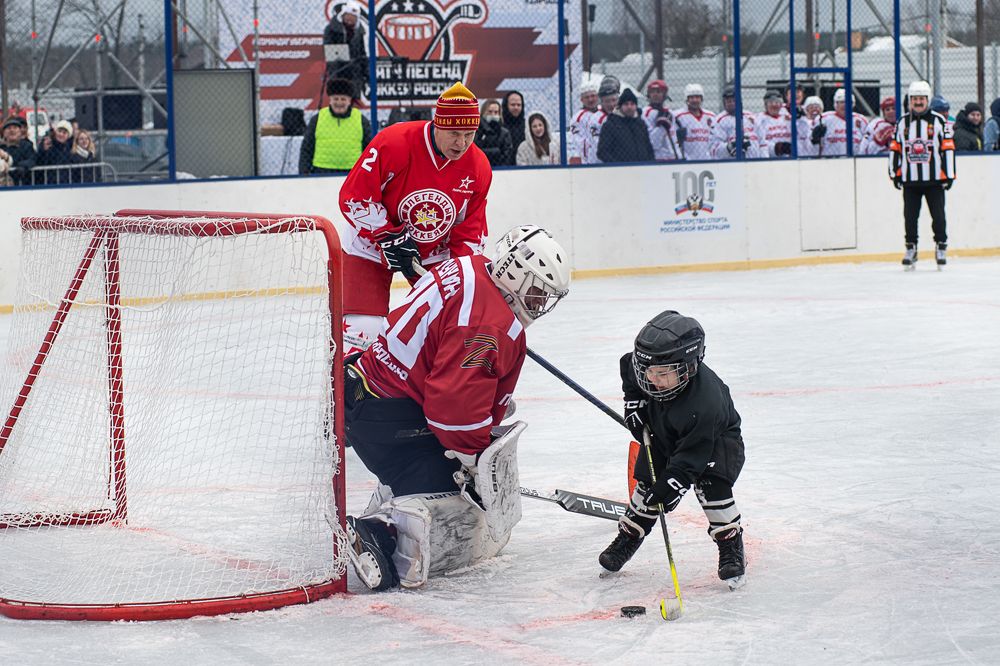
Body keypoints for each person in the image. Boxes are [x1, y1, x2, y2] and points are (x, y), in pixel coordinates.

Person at [342, 225, 571, 591]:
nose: (539, 302)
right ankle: (379, 531)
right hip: (384, 417)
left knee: (457, 466)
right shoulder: (486, 326)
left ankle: (398, 491)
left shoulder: (473, 265)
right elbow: (450, 414)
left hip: (369, 390)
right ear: (513, 273)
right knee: (462, 506)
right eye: (536, 290)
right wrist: (475, 461)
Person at [338, 81, 492, 356]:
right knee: (362, 329)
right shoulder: (394, 142)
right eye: (454, 133)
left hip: (431, 250)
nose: (462, 143)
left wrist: (459, 277)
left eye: (470, 134)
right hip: (370, 246)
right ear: (437, 124)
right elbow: (354, 197)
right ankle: (350, 394)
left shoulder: (478, 166)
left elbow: (470, 232)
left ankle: (436, 391)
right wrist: (389, 235)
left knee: (445, 328)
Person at [599, 311, 747, 589]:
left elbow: (692, 458)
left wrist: (673, 484)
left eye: (663, 374)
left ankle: (730, 543)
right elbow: (628, 370)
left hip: (715, 443)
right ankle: (629, 537)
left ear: (689, 366)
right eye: (649, 372)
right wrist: (634, 404)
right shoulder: (647, 366)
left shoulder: (706, 403)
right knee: (647, 487)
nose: (653, 379)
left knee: (711, 488)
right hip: (664, 430)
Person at [889, 80, 956, 270]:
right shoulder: (902, 122)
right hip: (910, 181)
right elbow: (895, 148)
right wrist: (894, 173)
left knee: (939, 217)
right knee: (910, 217)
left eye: (921, 99)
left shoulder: (939, 121)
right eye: (915, 99)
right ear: (910, 101)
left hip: (934, 180)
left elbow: (948, 148)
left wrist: (949, 175)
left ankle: (941, 246)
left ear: (927, 100)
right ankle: (911, 248)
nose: (918, 102)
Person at [300, 77, 373, 174]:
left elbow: (369, 148)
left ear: (349, 100)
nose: (339, 102)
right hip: (322, 171)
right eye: (336, 99)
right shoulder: (317, 119)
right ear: (330, 99)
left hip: (353, 172)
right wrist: (304, 172)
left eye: (343, 99)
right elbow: (307, 147)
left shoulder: (361, 119)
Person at [322, 0, 368, 101]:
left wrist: (367, 73)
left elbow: (362, 53)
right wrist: (349, 59)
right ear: (343, 15)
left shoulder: (359, 32)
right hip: (338, 72)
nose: (350, 19)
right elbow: (330, 52)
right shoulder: (331, 29)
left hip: (355, 74)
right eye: (348, 15)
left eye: (354, 17)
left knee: (353, 103)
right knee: (339, 100)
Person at [597, 88, 654, 163]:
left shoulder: (641, 124)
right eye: (626, 104)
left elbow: (648, 148)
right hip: (619, 171)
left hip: (642, 169)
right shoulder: (611, 125)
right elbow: (602, 152)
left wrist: (650, 163)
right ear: (620, 106)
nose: (629, 107)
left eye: (632, 104)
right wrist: (616, 166)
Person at [710, 86, 764, 160]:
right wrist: (730, 147)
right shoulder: (719, 120)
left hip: (755, 162)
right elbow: (713, 149)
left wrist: (764, 160)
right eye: (729, 101)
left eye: (734, 100)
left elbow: (762, 141)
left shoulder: (750, 116)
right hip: (733, 164)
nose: (732, 103)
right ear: (724, 103)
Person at [810, 88, 868, 157]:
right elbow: (811, 142)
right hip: (829, 160)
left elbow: (866, 144)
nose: (844, 105)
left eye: (848, 102)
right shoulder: (823, 119)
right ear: (835, 104)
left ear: (853, 104)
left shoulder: (861, 120)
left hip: (854, 160)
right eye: (841, 102)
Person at [672, 83, 715, 161]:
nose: (695, 100)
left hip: (707, 160)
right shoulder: (678, 116)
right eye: (691, 97)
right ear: (687, 99)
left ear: (701, 98)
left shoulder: (710, 116)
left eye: (697, 97)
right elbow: (673, 140)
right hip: (687, 160)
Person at [582, 76, 620, 165]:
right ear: (601, 102)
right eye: (607, 101)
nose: (611, 104)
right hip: (600, 164)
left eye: (614, 100)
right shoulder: (596, 119)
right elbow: (598, 147)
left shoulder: (620, 114)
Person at [642, 80, 679, 162]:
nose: (655, 94)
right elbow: (652, 144)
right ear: (649, 94)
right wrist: (661, 128)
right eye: (652, 92)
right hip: (657, 159)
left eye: (659, 92)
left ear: (664, 94)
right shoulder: (645, 113)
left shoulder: (670, 113)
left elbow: (674, 138)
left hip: (673, 158)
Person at [568, 78, 600, 164]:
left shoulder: (603, 113)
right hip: (587, 162)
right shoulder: (578, 118)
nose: (590, 99)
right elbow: (576, 144)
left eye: (593, 96)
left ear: (597, 97)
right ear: (581, 100)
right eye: (587, 97)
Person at [474, 99, 513, 167]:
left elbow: (507, 156)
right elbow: (474, 153)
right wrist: (497, 151)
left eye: (496, 112)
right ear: (483, 113)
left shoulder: (505, 133)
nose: (493, 115)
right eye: (490, 112)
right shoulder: (475, 131)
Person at [754, 89, 793, 157]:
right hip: (770, 160)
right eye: (771, 102)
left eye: (777, 102)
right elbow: (760, 143)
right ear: (765, 105)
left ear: (781, 104)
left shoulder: (787, 117)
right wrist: (776, 148)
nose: (774, 105)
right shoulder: (760, 120)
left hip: (789, 158)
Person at [35, 120, 75, 184]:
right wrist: (43, 150)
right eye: (59, 131)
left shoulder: (70, 148)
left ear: (68, 136)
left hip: (66, 182)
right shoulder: (47, 144)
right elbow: (39, 161)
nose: (61, 134)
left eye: (64, 133)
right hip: (48, 182)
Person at [0, 116, 36, 186]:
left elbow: (32, 159)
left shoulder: (27, 146)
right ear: (4, 133)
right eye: (9, 128)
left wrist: (22, 166)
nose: (12, 130)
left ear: (20, 132)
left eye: (15, 128)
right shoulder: (1, 148)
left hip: (23, 184)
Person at [501, 91, 526, 164]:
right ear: (506, 105)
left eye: (519, 105)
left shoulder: (527, 126)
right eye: (513, 105)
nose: (516, 107)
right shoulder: (499, 125)